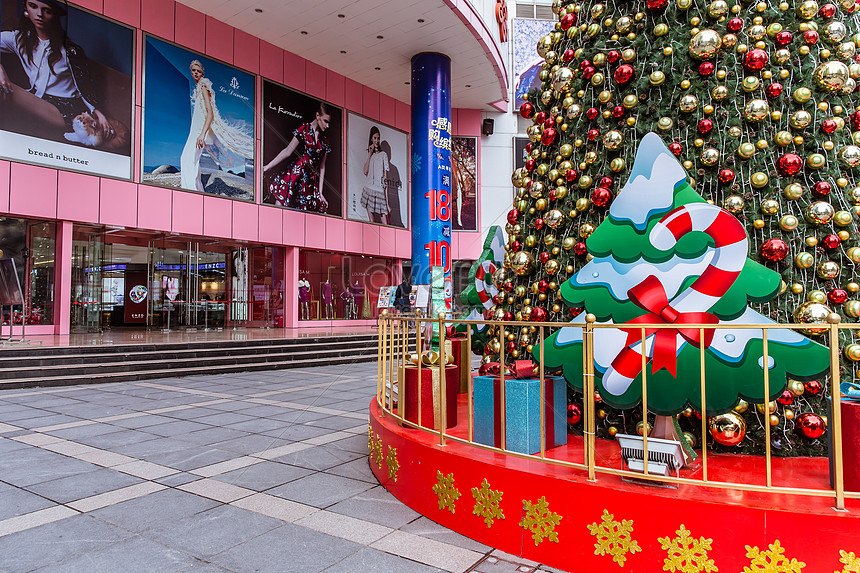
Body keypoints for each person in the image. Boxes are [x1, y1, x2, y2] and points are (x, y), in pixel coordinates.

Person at [0, 0, 125, 148]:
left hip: (65, 110)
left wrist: (100, 115)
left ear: (55, 15)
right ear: (25, 8)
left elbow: (85, 87)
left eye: (47, 10)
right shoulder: (18, 39)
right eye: (33, 6)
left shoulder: (70, 51)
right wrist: (1, 71)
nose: (39, 14)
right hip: (37, 99)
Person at [179, 59, 253, 192]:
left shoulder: (203, 87)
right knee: (190, 160)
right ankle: (194, 190)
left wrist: (202, 134)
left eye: (198, 71)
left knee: (187, 159)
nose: (196, 73)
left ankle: (190, 191)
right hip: (196, 130)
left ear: (202, 73)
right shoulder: (199, 89)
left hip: (199, 131)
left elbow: (210, 113)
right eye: (193, 70)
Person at [264, 102, 331, 212]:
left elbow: (322, 167)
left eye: (329, 122)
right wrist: (268, 166)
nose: (327, 126)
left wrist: (320, 192)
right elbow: (288, 151)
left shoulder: (325, 141)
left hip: (309, 180)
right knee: (278, 208)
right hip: (295, 173)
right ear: (317, 116)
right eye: (325, 121)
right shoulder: (304, 129)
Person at [360, 126, 390, 224]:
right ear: (371, 139)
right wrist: (369, 154)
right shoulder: (369, 154)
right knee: (371, 222)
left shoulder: (383, 155)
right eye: (375, 138)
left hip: (379, 191)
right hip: (368, 190)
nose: (377, 140)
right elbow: (365, 171)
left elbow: (386, 179)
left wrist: (387, 203)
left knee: (385, 224)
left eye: (378, 138)